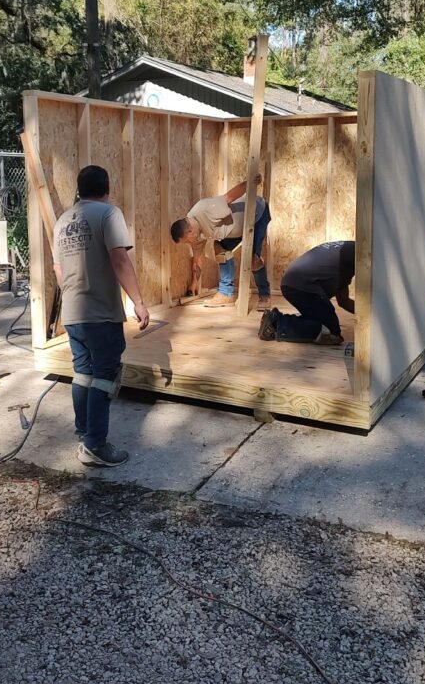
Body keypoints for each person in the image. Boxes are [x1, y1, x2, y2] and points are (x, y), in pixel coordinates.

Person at [53, 165, 150, 468]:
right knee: (105, 376)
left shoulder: (62, 220)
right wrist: (138, 301)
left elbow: (58, 272)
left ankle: (85, 435)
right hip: (100, 312)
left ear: (78, 190)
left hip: (72, 313)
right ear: (106, 189)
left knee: (83, 372)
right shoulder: (109, 214)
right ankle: (95, 445)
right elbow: (119, 259)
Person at [169, 176, 272, 310]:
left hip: (257, 215)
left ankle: (265, 295)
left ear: (189, 231)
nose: (190, 243)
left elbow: (229, 197)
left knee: (253, 259)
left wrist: (250, 183)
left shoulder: (205, 210)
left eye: (187, 240)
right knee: (219, 248)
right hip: (235, 231)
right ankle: (226, 294)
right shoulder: (195, 234)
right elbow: (198, 258)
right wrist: (193, 284)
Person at [258, 240, 355, 345]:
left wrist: (369, 317)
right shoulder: (353, 256)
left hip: (294, 283)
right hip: (301, 286)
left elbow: (343, 301)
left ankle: (277, 320)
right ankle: (276, 323)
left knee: (322, 321)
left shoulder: (348, 251)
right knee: (330, 332)